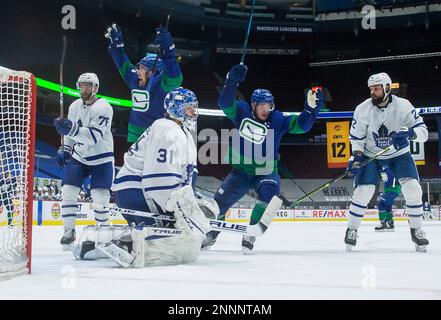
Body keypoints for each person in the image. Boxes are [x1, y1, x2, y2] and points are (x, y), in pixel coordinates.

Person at [73, 88, 210, 267]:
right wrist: (177, 209)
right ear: (177, 108)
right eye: (189, 108)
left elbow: (183, 176)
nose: (194, 112)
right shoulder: (168, 129)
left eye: (194, 108)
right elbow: (157, 181)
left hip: (135, 192)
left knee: (172, 234)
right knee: (176, 239)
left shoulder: (179, 131)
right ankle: (128, 247)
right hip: (139, 193)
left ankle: (95, 248)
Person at [202, 64, 324, 253]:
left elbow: (302, 127)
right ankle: (212, 233)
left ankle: (250, 233)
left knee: (269, 196)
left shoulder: (278, 119)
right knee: (217, 206)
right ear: (253, 105)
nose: (266, 109)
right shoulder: (241, 111)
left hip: (266, 171)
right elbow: (224, 103)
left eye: (269, 105)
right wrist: (231, 81)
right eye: (262, 105)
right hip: (241, 172)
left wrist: (311, 111)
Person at [346, 72, 429, 252]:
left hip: (399, 154)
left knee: (413, 189)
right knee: (363, 191)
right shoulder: (362, 109)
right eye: (371, 89)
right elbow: (356, 139)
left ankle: (417, 230)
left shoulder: (404, 106)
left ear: (388, 88)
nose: (373, 92)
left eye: (376, 88)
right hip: (371, 155)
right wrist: (357, 156)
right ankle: (351, 230)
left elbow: (423, 132)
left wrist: (410, 134)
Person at [54, 73, 114, 248]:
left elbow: (93, 137)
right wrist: (65, 148)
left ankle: (103, 231)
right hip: (79, 157)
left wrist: (71, 129)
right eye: (82, 85)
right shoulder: (74, 106)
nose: (84, 88)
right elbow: (70, 135)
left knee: (99, 197)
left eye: (88, 85)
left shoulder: (104, 107)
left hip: (101, 158)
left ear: (96, 88)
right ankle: (68, 230)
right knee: (68, 191)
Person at [105, 24, 183, 142]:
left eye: (142, 68)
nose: (138, 72)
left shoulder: (161, 85)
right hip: (134, 136)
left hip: (156, 137)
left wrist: (168, 51)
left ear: (152, 73)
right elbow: (122, 63)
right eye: (138, 67)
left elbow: (175, 77)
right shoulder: (134, 80)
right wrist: (117, 47)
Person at [374, 164, 400, 231]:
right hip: (388, 190)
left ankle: (383, 224)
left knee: (381, 203)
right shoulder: (380, 169)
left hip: (393, 189)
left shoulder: (389, 165)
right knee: (388, 206)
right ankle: (390, 224)